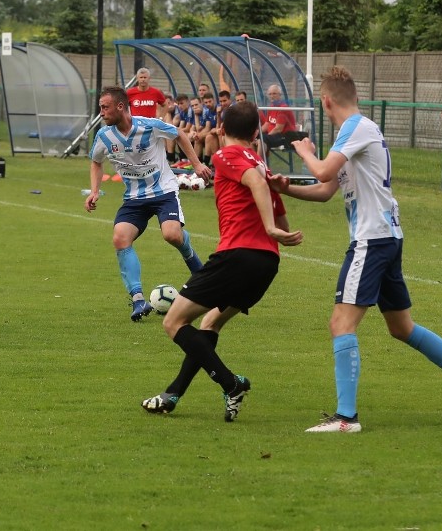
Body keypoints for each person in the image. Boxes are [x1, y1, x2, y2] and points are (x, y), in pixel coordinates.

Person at [271, 66, 442, 433]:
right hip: (386, 236)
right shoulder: (353, 132)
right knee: (401, 327)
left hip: (372, 239)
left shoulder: (356, 128)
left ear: (326, 100)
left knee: (341, 323)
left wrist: (303, 151)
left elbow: (323, 172)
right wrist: (286, 189)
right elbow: (327, 190)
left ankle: (346, 419)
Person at [141, 101, 303, 421]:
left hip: (236, 256)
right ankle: (173, 394)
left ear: (221, 128)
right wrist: (278, 231)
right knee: (210, 324)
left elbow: (258, 187)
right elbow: (274, 199)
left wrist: (270, 228)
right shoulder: (259, 161)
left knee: (173, 322)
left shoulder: (224, 155)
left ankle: (230, 384)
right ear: (256, 133)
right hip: (266, 262)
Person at [84, 86, 212, 322]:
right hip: (134, 198)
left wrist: (196, 165)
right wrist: (94, 191)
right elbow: (96, 162)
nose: (101, 112)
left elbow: (180, 135)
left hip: (163, 191)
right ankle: (138, 300)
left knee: (172, 235)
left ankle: (198, 269)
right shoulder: (104, 136)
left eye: (105, 107)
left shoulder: (149, 125)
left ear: (120, 106)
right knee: (120, 238)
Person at [261, 84, 299, 150]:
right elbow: (267, 124)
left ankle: (258, 160)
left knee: (263, 140)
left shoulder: (283, 108)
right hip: (274, 135)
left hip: (285, 136)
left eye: (274, 94)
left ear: (280, 95)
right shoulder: (271, 107)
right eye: (270, 94)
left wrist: (267, 136)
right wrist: (255, 133)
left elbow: (278, 129)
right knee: (256, 138)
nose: (271, 96)